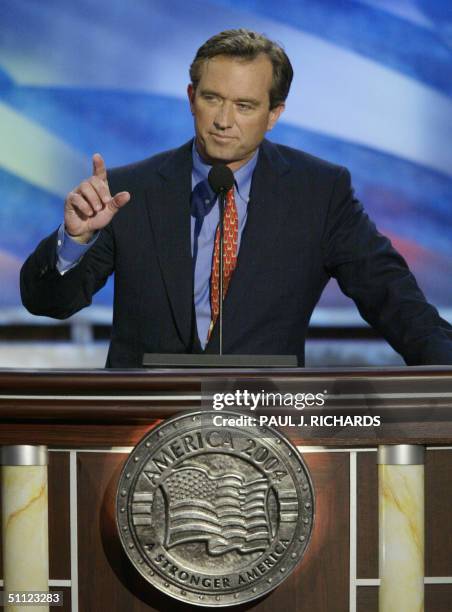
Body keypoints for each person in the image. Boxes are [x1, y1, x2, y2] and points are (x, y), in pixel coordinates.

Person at [20, 29, 452, 367]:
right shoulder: (129, 192)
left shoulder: (319, 193)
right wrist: (73, 241)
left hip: (268, 431)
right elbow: (48, 303)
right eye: (212, 99)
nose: (224, 121)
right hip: (144, 427)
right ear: (192, 99)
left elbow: (395, 302)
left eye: (245, 106)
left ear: (274, 114)